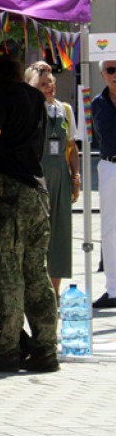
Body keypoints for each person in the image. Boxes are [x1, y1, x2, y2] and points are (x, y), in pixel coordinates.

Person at [0, 47, 58, 372]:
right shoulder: (33, 97)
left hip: (9, 193)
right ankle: (46, 348)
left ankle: (7, 349)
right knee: (35, 273)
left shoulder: (2, 96)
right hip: (35, 191)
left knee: (6, 272)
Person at [26, 62, 80, 297]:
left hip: (60, 174)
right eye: (43, 83)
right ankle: (35, 289)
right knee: (36, 232)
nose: (49, 87)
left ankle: (54, 293)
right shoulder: (29, 109)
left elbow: (72, 146)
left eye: (51, 83)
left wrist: (75, 176)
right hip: (36, 173)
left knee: (60, 232)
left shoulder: (64, 110)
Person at [91, 59, 116, 308]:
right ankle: (113, 289)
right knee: (109, 230)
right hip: (109, 165)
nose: (115, 74)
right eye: (110, 70)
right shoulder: (97, 104)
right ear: (102, 74)